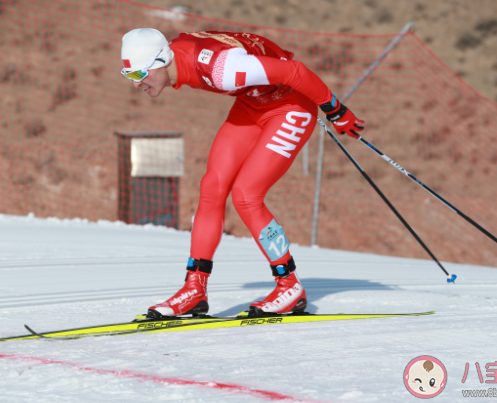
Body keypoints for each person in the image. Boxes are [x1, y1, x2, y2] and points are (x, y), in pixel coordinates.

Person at [120, 28, 364, 318]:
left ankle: (289, 286)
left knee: (246, 195)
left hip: (290, 107)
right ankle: (194, 289)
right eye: (129, 76)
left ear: (160, 63)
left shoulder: (224, 69)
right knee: (212, 186)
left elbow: (294, 71)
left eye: (138, 75)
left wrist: (334, 108)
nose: (136, 85)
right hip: (252, 104)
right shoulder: (174, 53)